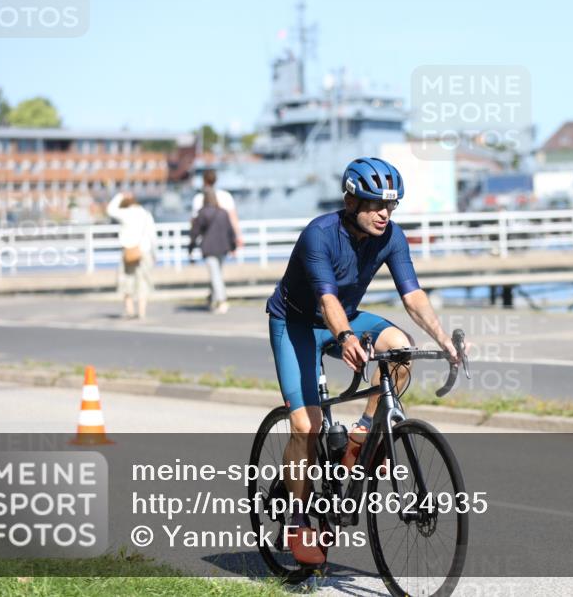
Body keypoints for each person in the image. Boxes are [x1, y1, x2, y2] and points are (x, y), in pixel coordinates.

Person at [266, 157, 459, 566]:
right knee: (307, 425)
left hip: (347, 318)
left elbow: (412, 295)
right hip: (299, 322)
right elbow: (326, 298)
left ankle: (361, 437)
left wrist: (442, 338)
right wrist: (346, 337)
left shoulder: (391, 237)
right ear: (352, 202)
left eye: (391, 206)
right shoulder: (319, 235)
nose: (385, 214)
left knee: (401, 350)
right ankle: (298, 519)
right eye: (375, 205)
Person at [106, 191, 157, 320]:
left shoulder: (126, 213)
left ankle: (129, 310)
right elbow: (153, 236)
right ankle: (142, 311)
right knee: (143, 281)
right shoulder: (146, 214)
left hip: (128, 251)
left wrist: (119, 195)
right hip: (144, 251)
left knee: (127, 280)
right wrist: (155, 254)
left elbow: (110, 210)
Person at [188, 188, 236, 314]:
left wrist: (191, 247)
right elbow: (230, 230)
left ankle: (221, 301)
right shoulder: (223, 212)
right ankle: (215, 301)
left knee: (215, 276)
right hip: (222, 247)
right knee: (218, 274)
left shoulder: (202, 213)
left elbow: (195, 232)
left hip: (209, 248)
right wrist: (233, 246)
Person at [191, 169, 243, 256]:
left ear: (203, 180)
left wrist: (192, 241)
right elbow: (233, 219)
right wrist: (238, 236)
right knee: (218, 266)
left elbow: (194, 223)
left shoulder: (198, 198)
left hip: (207, 242)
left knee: (214, 268)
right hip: (224, 241)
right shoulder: (226, 196)